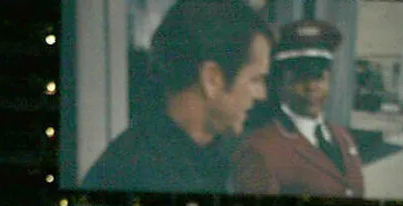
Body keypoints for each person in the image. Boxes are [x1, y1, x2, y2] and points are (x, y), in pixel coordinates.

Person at [80, 0, 272, 194]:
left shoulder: (220, 160)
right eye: (255, 79)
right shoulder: (135, 175)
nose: (262, 95)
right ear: (212, 79)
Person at [229, 20, 366, 198]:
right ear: (279, 83)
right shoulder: (259, 148)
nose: (311, 87)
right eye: (300, 77)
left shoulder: (342, 137)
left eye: (318, 76)